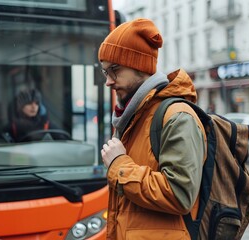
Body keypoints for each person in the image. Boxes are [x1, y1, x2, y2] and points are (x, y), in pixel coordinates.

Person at [99, 18, 207, 239]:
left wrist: (119, 166)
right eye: (105, 72)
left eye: (115, 70)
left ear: (139, 66)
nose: (108, 81)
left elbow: (180, 195)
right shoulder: (132, 116)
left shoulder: (176, 117)